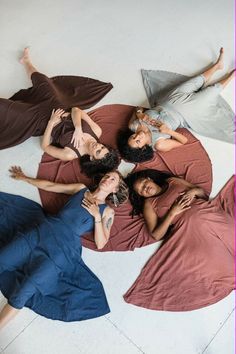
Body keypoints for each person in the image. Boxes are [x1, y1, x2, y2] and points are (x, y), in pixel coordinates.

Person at [0, 167, 129, 329]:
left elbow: (101, 243)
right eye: (107, 176)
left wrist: (96, 216)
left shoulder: (108, 211)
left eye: (113, 180)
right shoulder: (81, 189)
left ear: (115, 189)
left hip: (62, 251)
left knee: (25, 290)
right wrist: (25, 178)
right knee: (3, 259)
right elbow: (51, 186)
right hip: (44, 230)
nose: (107, 179)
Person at [124, 169, 234, 311]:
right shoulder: (149, 204)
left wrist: (193, 191)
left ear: (149, 179)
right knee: (223, 265)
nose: (145, 188)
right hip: (192, 230)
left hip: (209, 213)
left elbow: (202, 194)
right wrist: (172, 212)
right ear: (141, 196)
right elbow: (156, 234)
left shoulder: (172, 181)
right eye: (141, 191)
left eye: (144, 183)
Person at [0, 48, 119, 175]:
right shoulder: (96, 131)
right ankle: (27, 62)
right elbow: (76, 110)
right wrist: (78, 129)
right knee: (43, 82)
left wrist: (51, 123)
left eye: (98, 152)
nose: (98, 146)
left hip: (42, 120)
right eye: (102, 147)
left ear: (92, 158)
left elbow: (45, 146)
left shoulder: (70, 154)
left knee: (5, 107)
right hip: (59, 106)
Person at [118, 48, 235, 162]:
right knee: (211, 91)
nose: (137, 136)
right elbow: (183, 141)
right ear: (143, 148)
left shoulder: (133, 126)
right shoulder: (159, 144)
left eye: (133, 137)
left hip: (170, 99)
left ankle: (217, 66)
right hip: (186, 112)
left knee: (195, 82)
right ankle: (232, 75)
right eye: (138, 141)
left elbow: (138, 109)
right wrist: (169, 131)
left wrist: (139, 115)